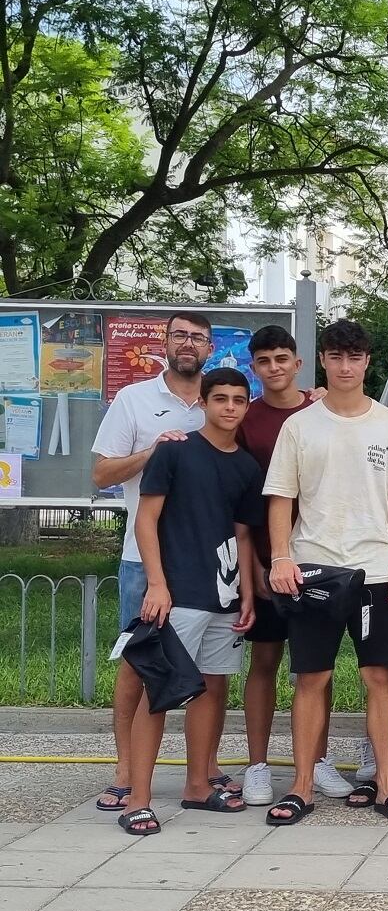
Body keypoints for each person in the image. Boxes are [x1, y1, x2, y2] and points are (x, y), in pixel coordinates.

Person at [263, 320, 388, 826]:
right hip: (314, 569)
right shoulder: (299, 426)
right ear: (323, 361)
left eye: (355, 357)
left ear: (367, 361)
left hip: (376, 569)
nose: (346, 367)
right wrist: (281, 557)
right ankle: (302, 785)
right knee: (312, 676)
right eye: (336, 357)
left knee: (380, 676)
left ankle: (387, 783)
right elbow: (281, 496)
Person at [118, 369, 262, 835]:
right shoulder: (175, 451)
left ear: (246, 405)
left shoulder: (247, 467)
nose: (230, 407)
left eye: (238, 400)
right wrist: (157, 584)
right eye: (220, 398)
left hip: (224, 597)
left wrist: (247, 594)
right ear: (203, 402)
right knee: (159, 692)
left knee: (212, 690)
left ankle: (198, 784)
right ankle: (138, 800)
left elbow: (243, 535)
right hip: (177, 593)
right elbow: (146, 520)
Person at [90, 312, 214, 811]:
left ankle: (204, 771)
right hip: (144, 559)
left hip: (206, 560)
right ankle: (125, 771)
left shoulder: (221, 400)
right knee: (138, 664)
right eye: (180, 335)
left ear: (210, 348)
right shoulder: (134, 399)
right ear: (165, 342)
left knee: (208, 667)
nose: (188, 344)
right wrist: (152, 451)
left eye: (198, 338)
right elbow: (102, 473)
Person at [235, 326, 351, 808]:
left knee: (316, 668)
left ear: (299, 363)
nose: (274, 367)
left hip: (320, 559)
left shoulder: (323, 409)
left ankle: (317, 760)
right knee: (264, 661)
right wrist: (256, 566)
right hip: (270, 560)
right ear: (254, 368)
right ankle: (257, 765)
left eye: (281, 358)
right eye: (264, 361)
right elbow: (242, 504)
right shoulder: (246, 419)